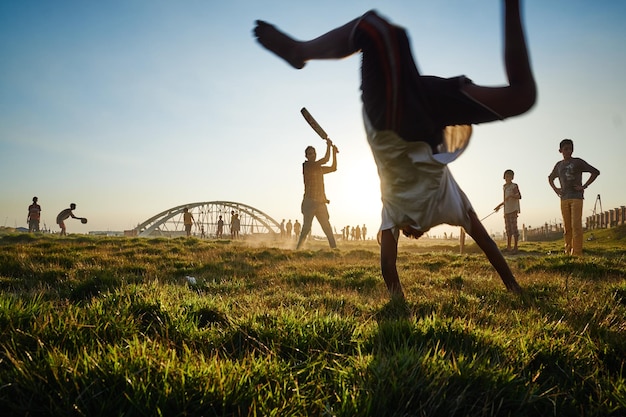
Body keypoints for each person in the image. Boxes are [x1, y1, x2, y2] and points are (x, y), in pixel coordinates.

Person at [254, 0, 536, 297]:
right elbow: (395, 264)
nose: (411, 235)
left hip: (396, 120)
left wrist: (398, 297)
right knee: (521, 97)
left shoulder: (398, 213)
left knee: (378, 30)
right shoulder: (430, 209)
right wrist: (513, 286)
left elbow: (388, 266)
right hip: (428, 110)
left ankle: (301, 51)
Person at [548, 139, 599, 256]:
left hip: (576, 197)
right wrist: (556, 189)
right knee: (567, 227)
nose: (568, 151)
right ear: (560, 150)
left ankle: (577, 253)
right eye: (566, 149)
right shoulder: (559, 165)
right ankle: (567, 251)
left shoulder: (578, 162)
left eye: (570, 149)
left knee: (576, 226)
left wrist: (584, 186)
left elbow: (595, 172)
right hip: (564, 198)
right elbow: (550, 178)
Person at [295, 140, 338, 249]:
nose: (312, 155)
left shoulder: (318, 168)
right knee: (306, 228)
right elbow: (326, 159)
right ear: (306, 156)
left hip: (320, 203)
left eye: (313, 153)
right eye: (309, 154)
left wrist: (334, 152)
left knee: (327, 227)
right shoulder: (307, 166)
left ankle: (334, 249)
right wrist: (328, 146)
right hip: (309, 202)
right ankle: (298, 248)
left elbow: (333, 167)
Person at [494, 169, 522, 253]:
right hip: (506, 211)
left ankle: (515, 247)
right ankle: (508, 247)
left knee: (514, 229)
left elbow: (519, 196)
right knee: (508, 229)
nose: (508, 178)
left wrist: (511, 195)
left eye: (509, 176)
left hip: (513, 210)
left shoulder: (514, 186)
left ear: (512, 177)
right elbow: (505, 200)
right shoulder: (504, 187)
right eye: (506, 176)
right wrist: (499, 206)